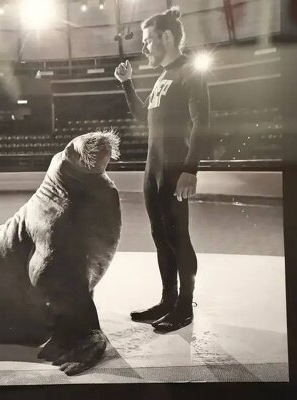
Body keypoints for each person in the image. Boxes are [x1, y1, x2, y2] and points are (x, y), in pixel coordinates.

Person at [113, 6, 210, 332]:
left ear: (166, 36)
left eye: (147, 40)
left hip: (174, 169)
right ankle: (168, 300)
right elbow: (144, 118)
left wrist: (190, 169)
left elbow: (202, 122)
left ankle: (184, 306)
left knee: (178, 237)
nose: (144, 47)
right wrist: (127, 83)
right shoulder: (162, 77)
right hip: (152, 170)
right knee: (160, 235)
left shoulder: (189, 72)